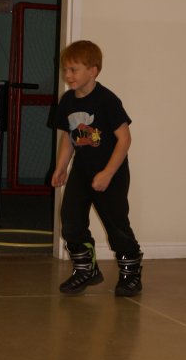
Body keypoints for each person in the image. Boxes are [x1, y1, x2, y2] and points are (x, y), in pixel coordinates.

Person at [51, 40, 142, 296]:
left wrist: (108, 173)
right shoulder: (68, 101)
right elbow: (69, 136)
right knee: (71, 219)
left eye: (74, 69)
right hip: (82, 171)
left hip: (111, 172)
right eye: (66, 70)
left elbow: (125, 139)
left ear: (93, 71)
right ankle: (86, 269)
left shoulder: (107, 100)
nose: (68, 75)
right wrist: (61, 167)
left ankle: (131, 274)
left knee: (116, 224)